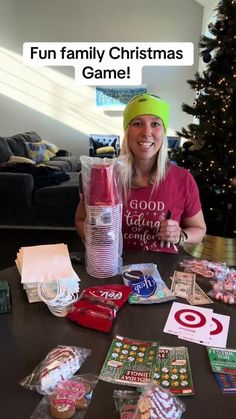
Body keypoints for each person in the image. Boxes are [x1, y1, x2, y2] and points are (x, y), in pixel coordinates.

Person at [75, 93, 206, 253]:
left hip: (162, 271)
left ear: (163, 133)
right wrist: (96, 238)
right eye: (137, 123)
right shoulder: (105, 175)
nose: (146, 132)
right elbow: (81, 220)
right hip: (113, 266)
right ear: (127, 132)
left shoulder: (182, 179)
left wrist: (180, 236)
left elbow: (199, 229)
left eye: (155, 124)